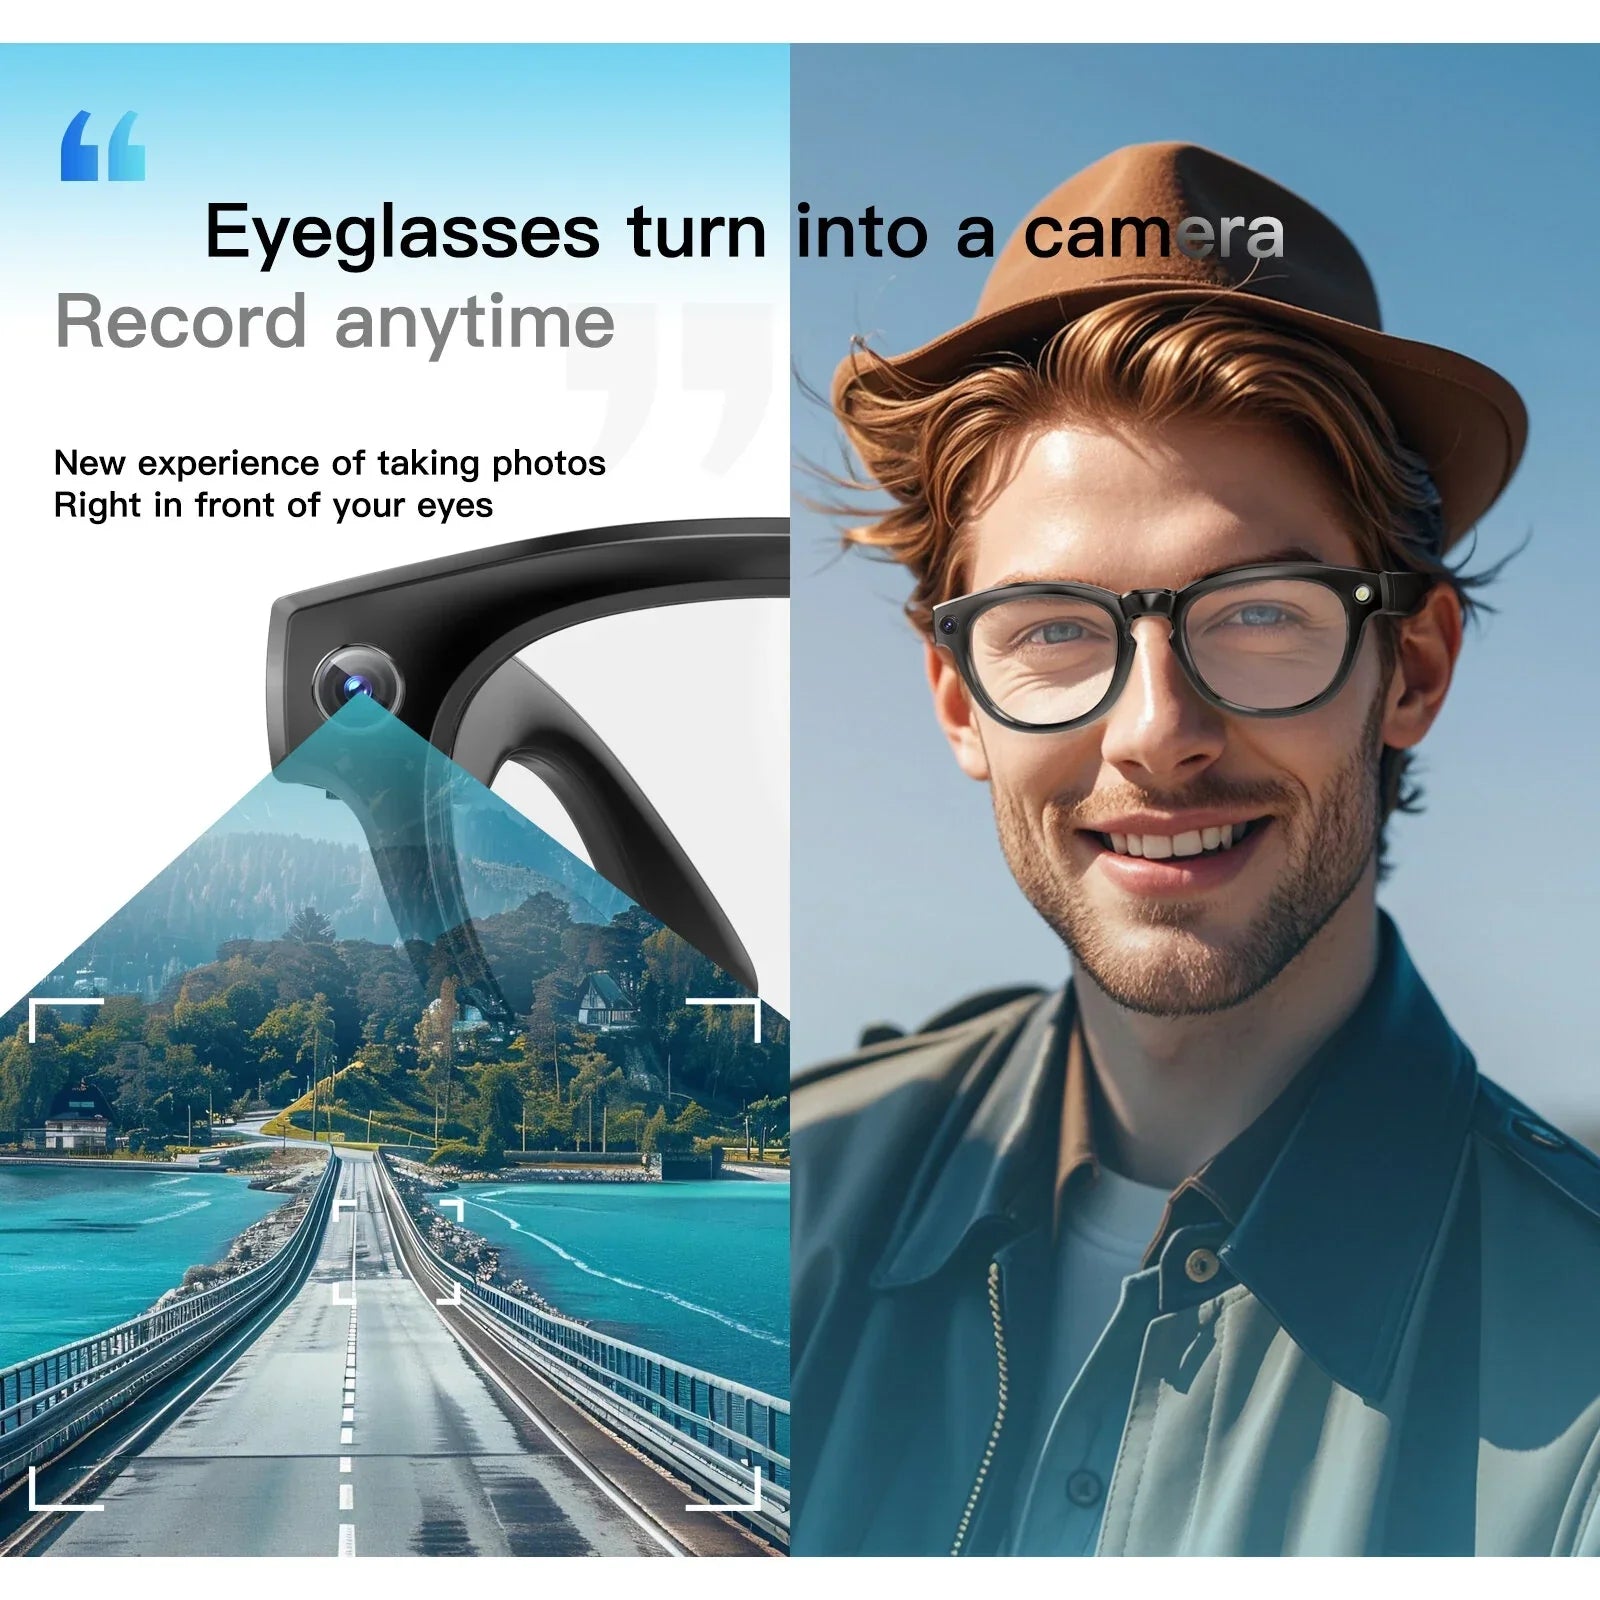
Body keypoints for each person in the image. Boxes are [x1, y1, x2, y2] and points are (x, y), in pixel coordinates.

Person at [791, 141, 1600, 1557]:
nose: (1157, 733)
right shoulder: (800, 1197)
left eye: (1261, 613)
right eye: (1054, 628)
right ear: (959, 699)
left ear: (1410, 669)